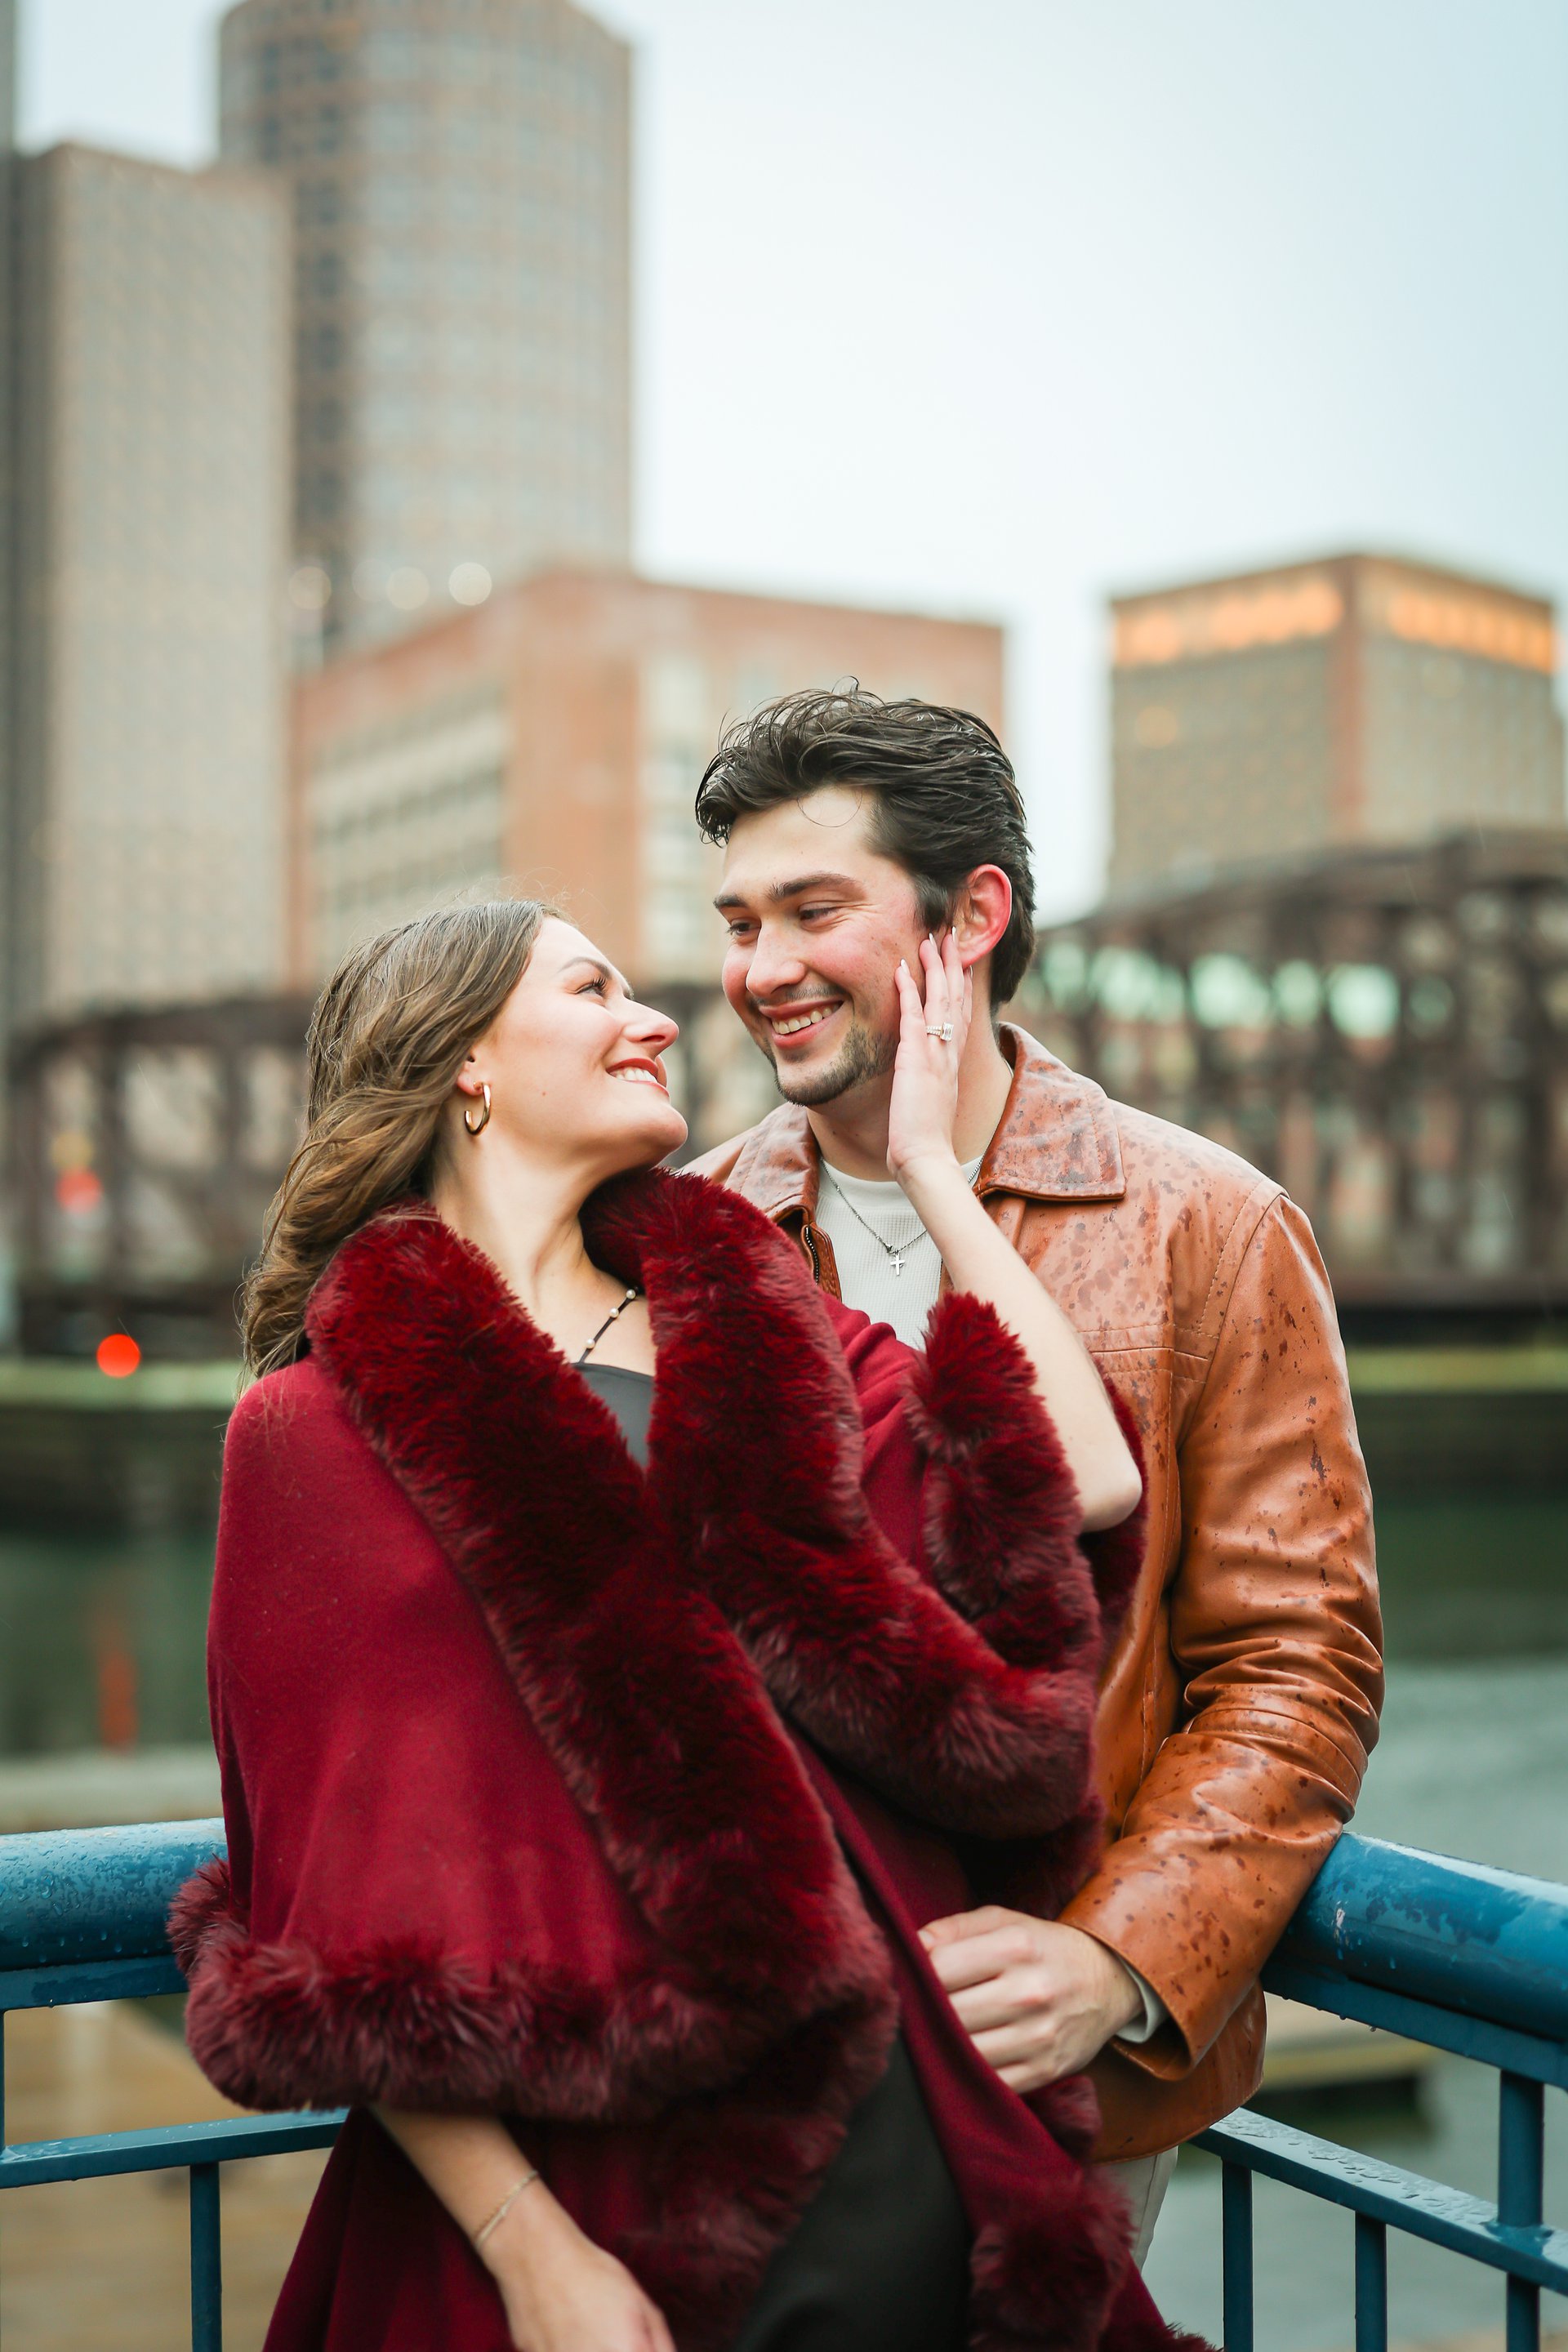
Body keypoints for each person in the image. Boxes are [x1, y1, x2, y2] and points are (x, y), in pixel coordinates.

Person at [172, 898, 1205, 2352]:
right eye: (592, 989)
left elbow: (1084, 1474)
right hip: (589, 2186)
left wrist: (927, 1164)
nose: (657, 1017)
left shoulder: (765, 1336)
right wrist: (531, 2254)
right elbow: (329, 1916)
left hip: (912, 2147)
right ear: (465, 1058)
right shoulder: (306, 1433)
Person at [689, 688, 1385, 2262]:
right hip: (749, 2064)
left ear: (973, 917)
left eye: (814, 911)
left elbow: (1296, 1665)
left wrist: (1121, 1963)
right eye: (739, 922)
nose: (761, 969)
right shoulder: (693, 1228)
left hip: (1038, 2077)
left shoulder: (1209, 1224)